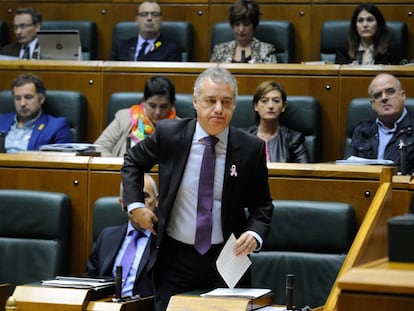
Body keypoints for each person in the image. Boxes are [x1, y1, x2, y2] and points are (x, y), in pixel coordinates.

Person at [121, 67, 274, 311]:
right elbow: (132, 161)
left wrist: (254, 234)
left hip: (226, 260)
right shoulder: (169, 134)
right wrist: (136, 205)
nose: (218, 109)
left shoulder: (250, 148)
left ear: (234, 105)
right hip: (174, 258)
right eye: (210, 101)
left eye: (226, 102)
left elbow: (262, 205)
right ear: (195, 102)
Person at [86, 174, 158, 298]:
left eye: (145, 197)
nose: (139, 204)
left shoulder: (165, 241)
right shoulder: (107, 237)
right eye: (133, 198)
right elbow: (89, 282)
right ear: (122, 203)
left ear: (157, 201)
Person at [345, 73, 414, 174]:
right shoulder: (362, 130)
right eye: (377, 95)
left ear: (402, 96)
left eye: (390, 92)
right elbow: (348, 170)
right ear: (372, 104)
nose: (384, 98)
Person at [94, 76, 177, 157]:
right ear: (144, 102)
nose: (157, 112)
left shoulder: (181, 127)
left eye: (163, 107)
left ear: (171, 105)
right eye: (152, 105)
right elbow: (99, 147)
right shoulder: (124, 118)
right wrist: (118, 167)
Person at [0, 73, 72, 153]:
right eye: (18, 98)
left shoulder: (57, 126)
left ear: (41, 99)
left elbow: (62, 160)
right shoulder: (1, 120)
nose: (22, 103)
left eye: (28, 97)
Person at [247, 81, 309, 163]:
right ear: (255, 106)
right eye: (264, 101)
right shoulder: (244, 138)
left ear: (283, 106)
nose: (270, 106)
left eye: (276, 101)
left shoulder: (293, 139)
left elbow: (305, 172)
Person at [111, 0, 182, 61]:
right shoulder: (121, 47)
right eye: (144, 14)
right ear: (136, 20)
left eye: (155, 14)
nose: (149, 18)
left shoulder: (171, 49)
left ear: (161, 20)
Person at [210, 0, 277, 64]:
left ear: (254, 25)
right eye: (237, 24)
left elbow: (272, 74)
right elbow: (211, 74)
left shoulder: (266, 51)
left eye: (246, 24)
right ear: (232, 26)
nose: (241, 29)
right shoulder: (220, 51)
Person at [335, 3, 403, 65]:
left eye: (370, 20)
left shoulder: (391, 49)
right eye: (360, 20)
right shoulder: (343, 48)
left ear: (378, 23)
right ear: (355, 25)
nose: (365, 25)